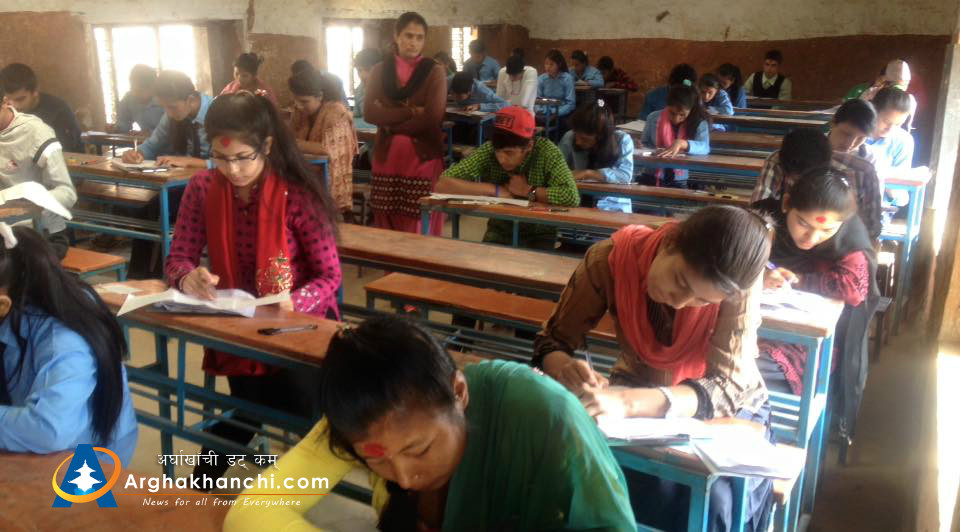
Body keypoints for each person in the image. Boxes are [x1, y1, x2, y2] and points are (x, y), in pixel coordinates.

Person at [222, 315, 637, 532]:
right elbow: (252, 512)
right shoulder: (362, 422)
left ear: (459, 393)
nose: (404, 478)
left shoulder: (542, 415)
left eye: (418, 449)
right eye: (377, 462)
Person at [534, 205, 774, 532]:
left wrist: (626, 402)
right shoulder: (610, 260)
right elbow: (551, 340)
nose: (681, 302)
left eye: (702, 302)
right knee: (588, 471)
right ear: (670, 242)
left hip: (724, 406)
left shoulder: (738, 285)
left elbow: (726, 388)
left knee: (713, 499)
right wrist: (564, 366)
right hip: (638, 385)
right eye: (680, 281)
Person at [165, 91, 341, 483]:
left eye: (244, 157)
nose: (233, 169)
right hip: (239, 326)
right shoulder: (202, 188)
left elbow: (329, 276)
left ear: (267, 146)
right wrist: (188, 277)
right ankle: (203, 486)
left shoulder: (297, 195)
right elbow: (177, 258)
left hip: (299, 329)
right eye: (221, 157)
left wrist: (294, 301)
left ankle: (209, 483)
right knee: (249, 410)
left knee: (293, 416)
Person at [754, 168, 878, 449]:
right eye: (803, 223)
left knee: (756, 365)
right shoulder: (764, 219)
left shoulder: (850, 241)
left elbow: (853, 288)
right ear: (787, 204)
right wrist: (761, 275)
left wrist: (798, 280)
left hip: (811, 340)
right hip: (759, 319)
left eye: (827, 230)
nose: (811, 237)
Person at [0, 225, 138, 465]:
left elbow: (48, 430)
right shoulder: (16, 311)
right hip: (29, 444)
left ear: (2, 304)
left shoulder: (65, 341)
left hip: (88, 463)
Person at [436, 106, 579, 248]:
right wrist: (494, 189)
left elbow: (571, 196)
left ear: (529, 145)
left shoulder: (547, 152)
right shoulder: (489, 150)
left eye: (509, 153)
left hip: (539, 230)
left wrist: (529, 191)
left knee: (534, 261)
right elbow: (441, 184)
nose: (501, 159)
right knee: (486, 260)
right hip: (501, 229)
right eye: (497, 151)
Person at [364, 12, 448, 235]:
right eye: (408, 36)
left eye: (419, 37)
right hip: (387, 156)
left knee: (419, 215)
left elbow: (432, 116)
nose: (413, 42)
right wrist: (410, 111)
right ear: (397, 36)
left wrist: (389, 122)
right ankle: (389, 259)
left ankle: (419, 258)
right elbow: (370, 113)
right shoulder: (380, 70)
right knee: (386, 214)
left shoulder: (434, 71)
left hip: (422, 157)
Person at [752, 116, 884, 241]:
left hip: (843, 239)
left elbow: (871, 228)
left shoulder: (862, 171)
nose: (801, 187)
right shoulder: (778, 160)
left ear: (827, 166)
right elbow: (758, 210)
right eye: (795, 180)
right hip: (789, 237)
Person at [0, 97, 75, 259]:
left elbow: (68, 193)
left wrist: (26, 202)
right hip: (5, 232)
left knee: (10, 263)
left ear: (5, 102)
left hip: (42, 234)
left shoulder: (36, 133)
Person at [289, 68, 359, 219]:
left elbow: (328, 150)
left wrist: (294, 143)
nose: (298, 105)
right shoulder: (300, 111)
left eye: (304, 101)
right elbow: (291, 134)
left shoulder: (336, 113)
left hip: (330, 184)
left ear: (320, 96)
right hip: (306, 177)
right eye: (295, 100)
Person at [121, 70, 213, 169]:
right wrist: (136, 153)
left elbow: (224, 163)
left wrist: (190, 162)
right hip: (185, 175)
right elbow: (152, 145)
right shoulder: (171, 115)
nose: (168, 113)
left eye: (172, 107)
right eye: (164, 107)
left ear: (190, 100)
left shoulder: (217, 112)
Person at [558, 99, 634, 213]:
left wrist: (588, 173)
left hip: (613, 206)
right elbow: (556, 170)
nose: (578, 141)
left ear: (601, 136)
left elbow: (624, 176)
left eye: (584, 139)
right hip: (575, 202)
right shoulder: (569, 137)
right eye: (576, 134)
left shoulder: (623, 140)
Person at [0, 63, 82, 152]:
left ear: (35, 91)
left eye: (20, 99)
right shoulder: (5, 111)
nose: (14, 106)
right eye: (8, 100)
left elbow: (64, 152)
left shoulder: (59, 111)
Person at [640, 84, 710, 188]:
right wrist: (642, 146)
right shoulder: (653, 117)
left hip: (679, 178)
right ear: (666, 105)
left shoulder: (698, 122)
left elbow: (705, 148)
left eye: (682, 114)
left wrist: (684, 143)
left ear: (691, 110)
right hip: (651, 173)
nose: (676, 118)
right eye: (672, 113)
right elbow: (645, 143)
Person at [866, 87, 914, 212]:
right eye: (886, 121)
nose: (891, 129)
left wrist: (893, 190)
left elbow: (901, 192)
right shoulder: (856, 132)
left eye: (898, 124)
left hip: (880, 206)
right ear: (873, 111)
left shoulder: (903, 141)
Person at [844, 59, 917, 131]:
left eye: (904, 86)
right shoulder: (864, 91)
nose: (896, 92)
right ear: (881, 79)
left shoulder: (905, 101)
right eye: (893, 86)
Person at [114, 64, 164, 134]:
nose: (135, 94)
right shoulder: (129, 98)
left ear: (153, 87)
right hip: (145, 140)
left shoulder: (165, 99)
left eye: (139, 91)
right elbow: (124, 121)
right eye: (132, 89)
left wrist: (150, 133)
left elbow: (173, 129)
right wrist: (117, 128)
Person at [536, 49, 576, 126]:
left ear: (559, 64)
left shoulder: (567, 79)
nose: (548, 67)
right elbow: (537, 100)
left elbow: (571, 104)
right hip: (544, 113)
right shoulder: (541, 79)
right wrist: (540, 111)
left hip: (561, 113)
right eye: (546, 63)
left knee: (563, 124)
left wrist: (556, 113)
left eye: (551, 64)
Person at [352, 48, 382, 130]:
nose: (363, 75)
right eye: (359, 70)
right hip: (366, 135)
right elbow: (356, 115)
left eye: (368, 69)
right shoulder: (359, 89)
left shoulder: (388, 88)